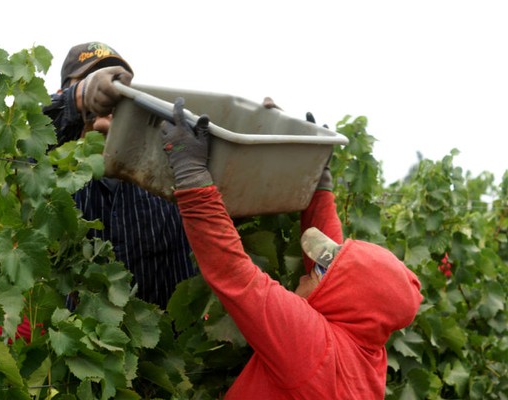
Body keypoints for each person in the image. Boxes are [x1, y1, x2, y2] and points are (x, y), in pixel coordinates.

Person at [160, 98, 423, 398]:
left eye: (322, 274)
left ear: (343, 300)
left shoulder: (314, 350)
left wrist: (191, 173)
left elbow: (235, 275)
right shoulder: (368, 353)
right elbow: (336, 271)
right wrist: (319, 183)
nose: (307, 272)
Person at [42, 42, 196, 309]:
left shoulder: (166, 168)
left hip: (173, 343)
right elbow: (20, 138)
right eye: (99, 83)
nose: (112, 95)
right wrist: (79, 97)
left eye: (119, 85)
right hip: (83, 348)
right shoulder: (47, 171)